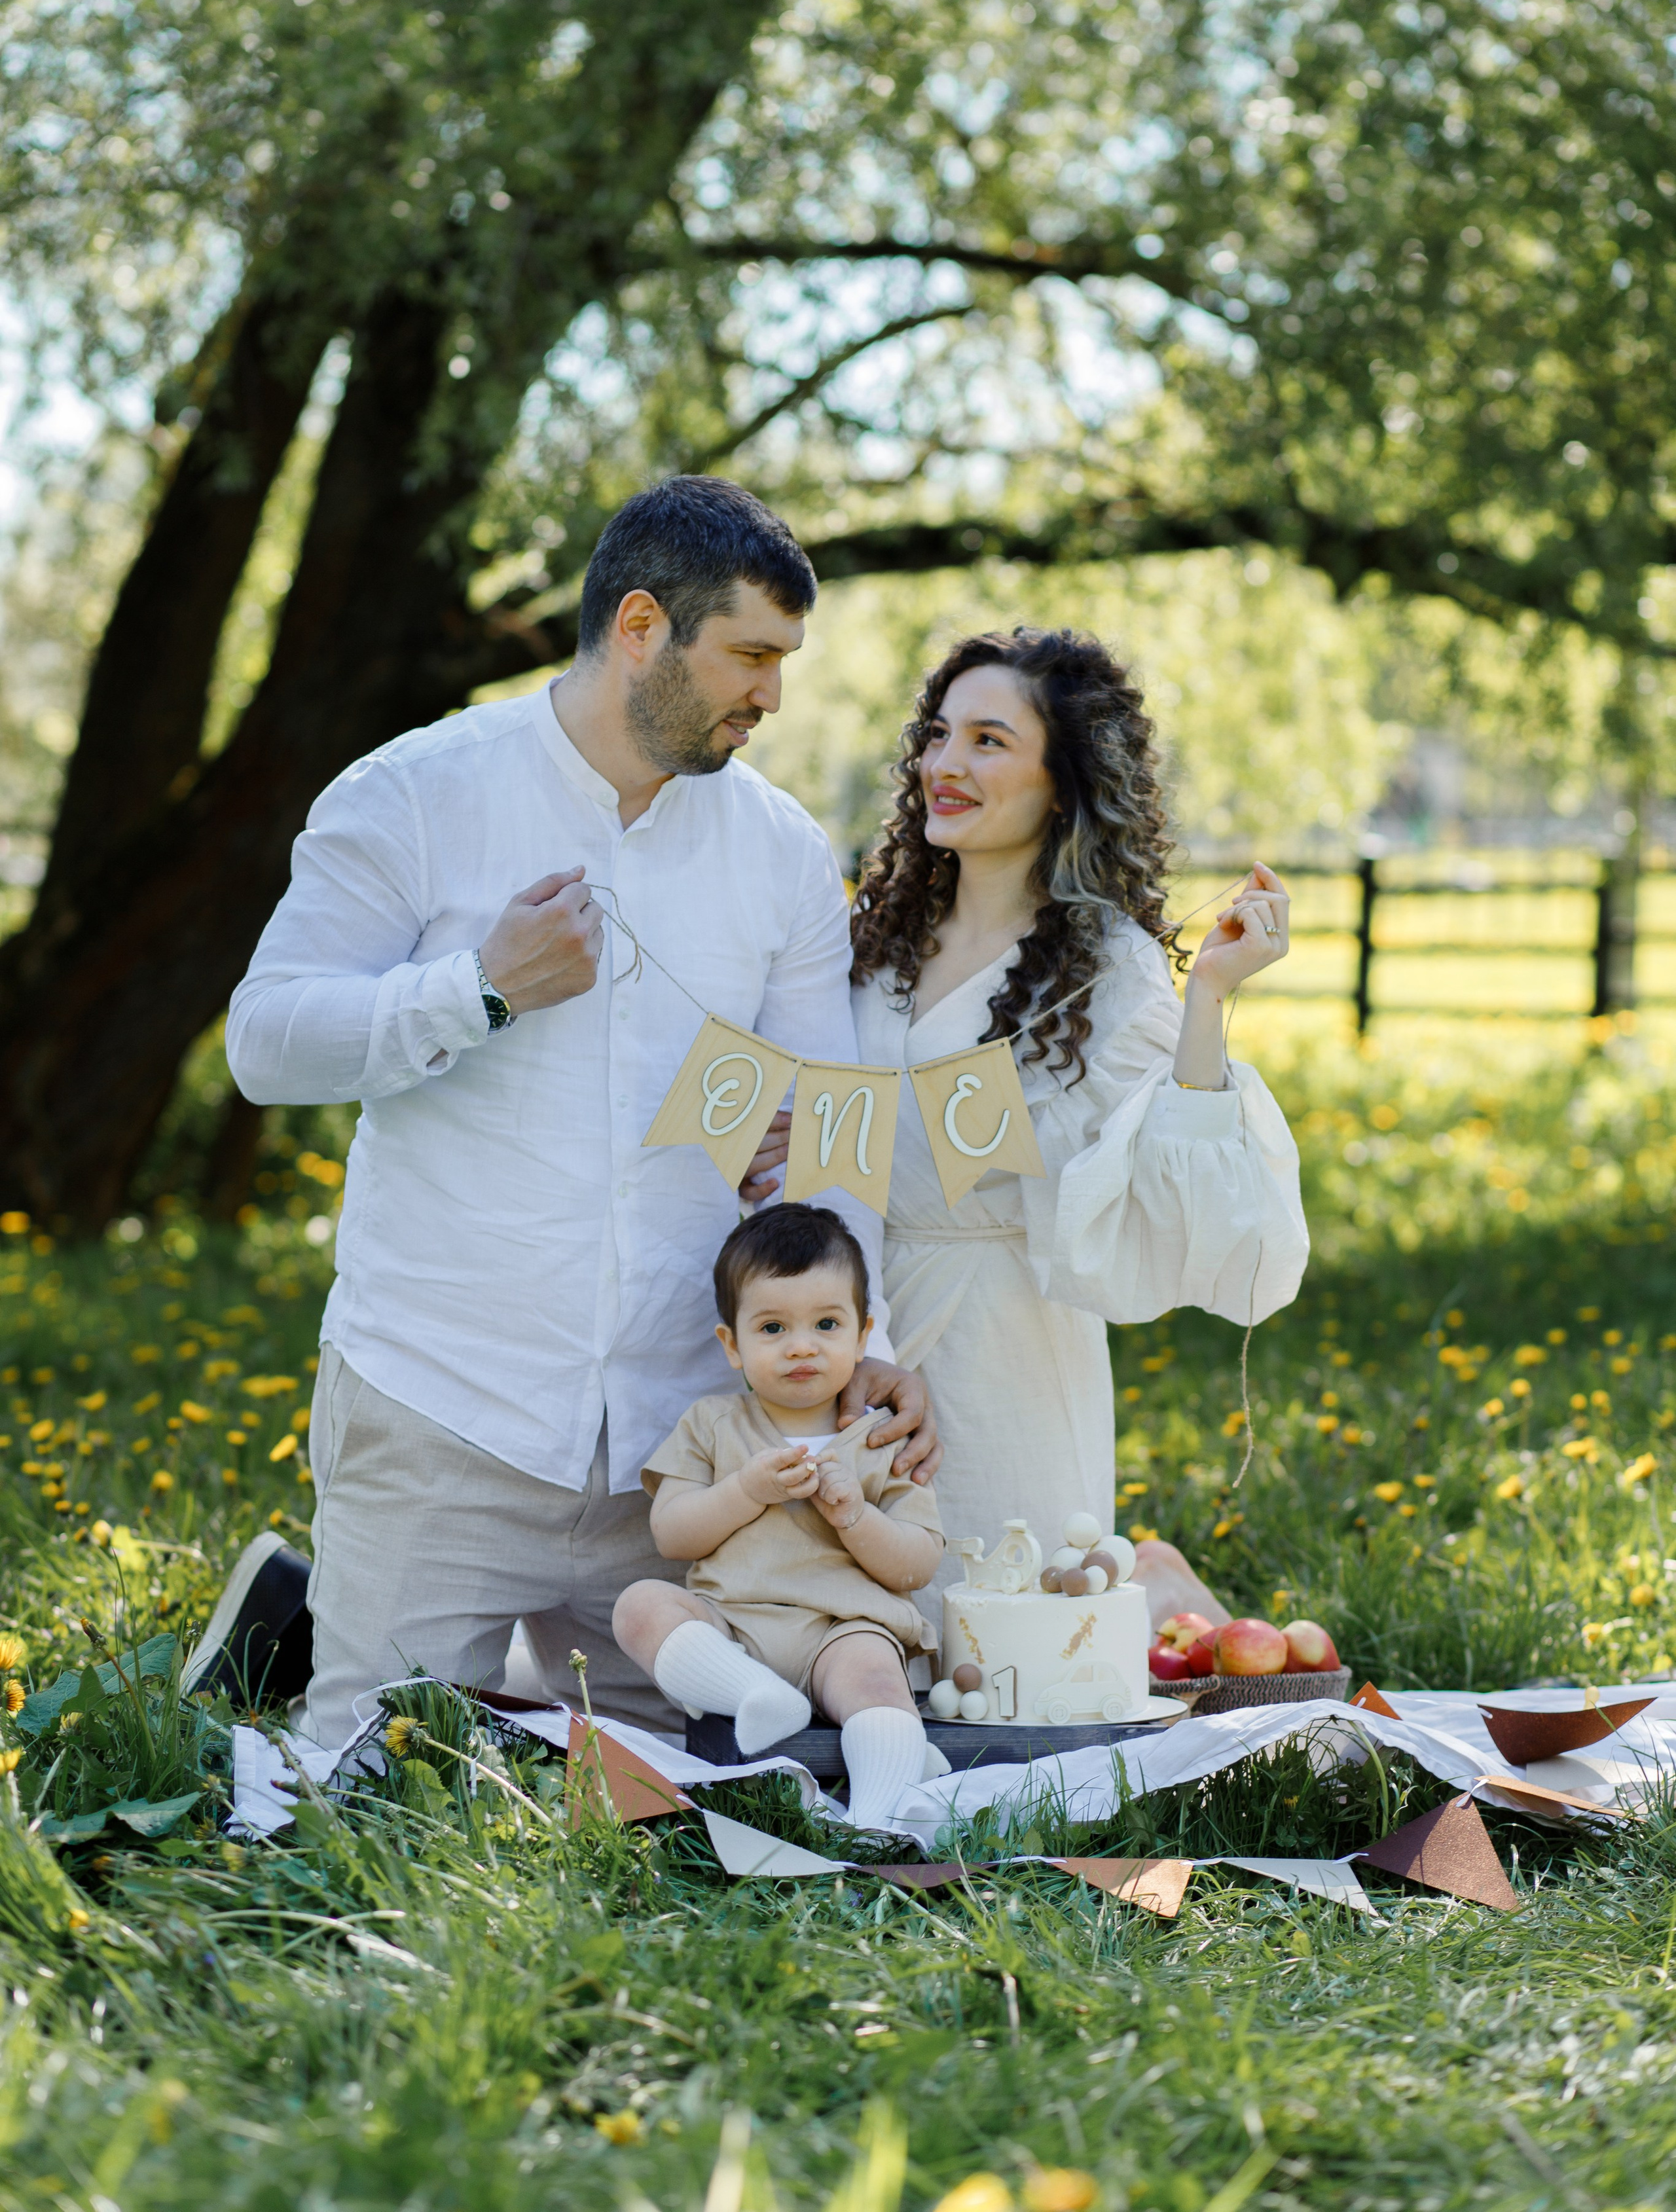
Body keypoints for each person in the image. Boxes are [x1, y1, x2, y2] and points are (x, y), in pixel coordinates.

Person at [210, 477, 936, 1748]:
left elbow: (834, 1122)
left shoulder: (776, 852)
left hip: (680, 1464)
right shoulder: (417, 791)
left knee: (697, 1806)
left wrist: (856, 1327)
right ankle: (298, 1646)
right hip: (445, 1408)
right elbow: (264, 1043)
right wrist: (478, 990)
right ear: (643, 627)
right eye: (751, 656)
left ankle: (307, 1639)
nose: (773, 693)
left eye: (784, 660)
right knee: (364, 1788)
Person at [744, 626, 1308, 1637]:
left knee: (1003, 1653)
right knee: (843, 1642)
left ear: (1063, 783)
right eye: (939, 735)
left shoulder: (1106, 970)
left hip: (1004, 1333)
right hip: (852, 1316)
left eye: (989, 741)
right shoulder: (876, 936)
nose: (946, 766)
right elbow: (825, 1101)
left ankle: (1152, 1587)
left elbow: (1154, 1186)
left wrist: (1210, 1000)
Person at [614, 1203, 943, 1828]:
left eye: (825, 1324)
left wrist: (855, 1516)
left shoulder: (882, 1439)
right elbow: (672, 1533)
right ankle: (751, 1695)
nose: (801, 1347)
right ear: (732, 1345)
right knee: (639, 1607)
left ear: (863, 1335)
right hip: (730, 1628)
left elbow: (918, 1563)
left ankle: (875, 1822)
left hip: (839, 1628)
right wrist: (744, 1490)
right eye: (772, 1329)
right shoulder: (711, 1425)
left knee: (877, 1679)